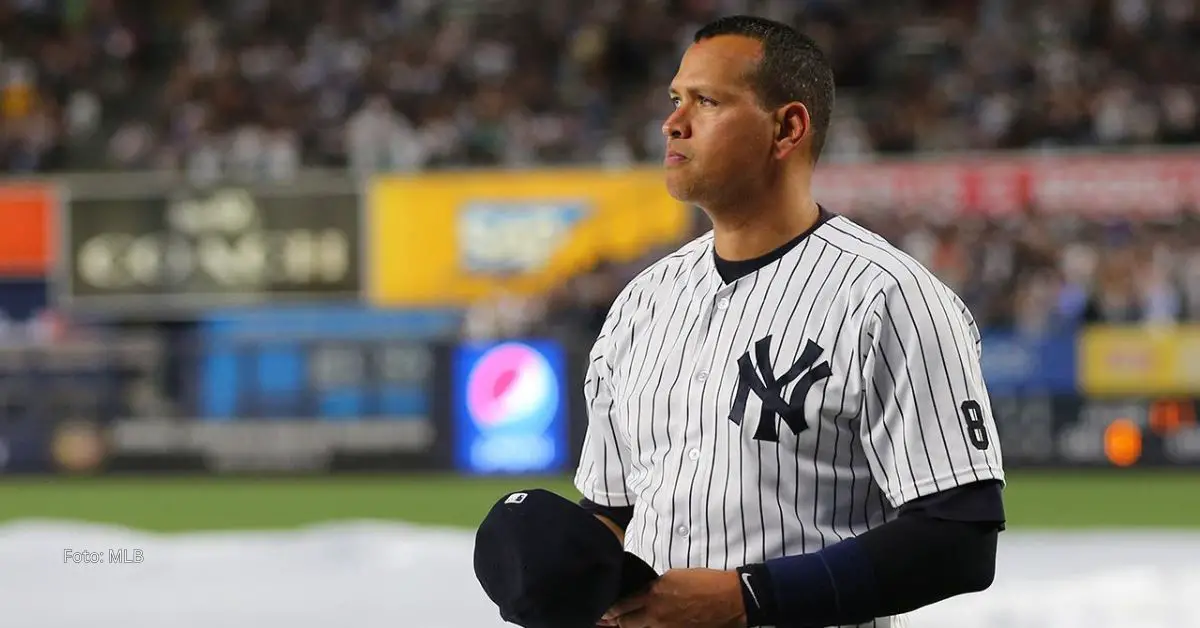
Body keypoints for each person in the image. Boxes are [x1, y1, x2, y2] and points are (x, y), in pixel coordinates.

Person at [573, 15, 1006, 628]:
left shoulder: (890, 297)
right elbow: (612, 509)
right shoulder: (641, 303)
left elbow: (959, 538)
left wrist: (750, 599)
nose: (674, 122)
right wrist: (562, 569)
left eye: (707, 101)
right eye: (676, 99)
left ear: (788, 128)